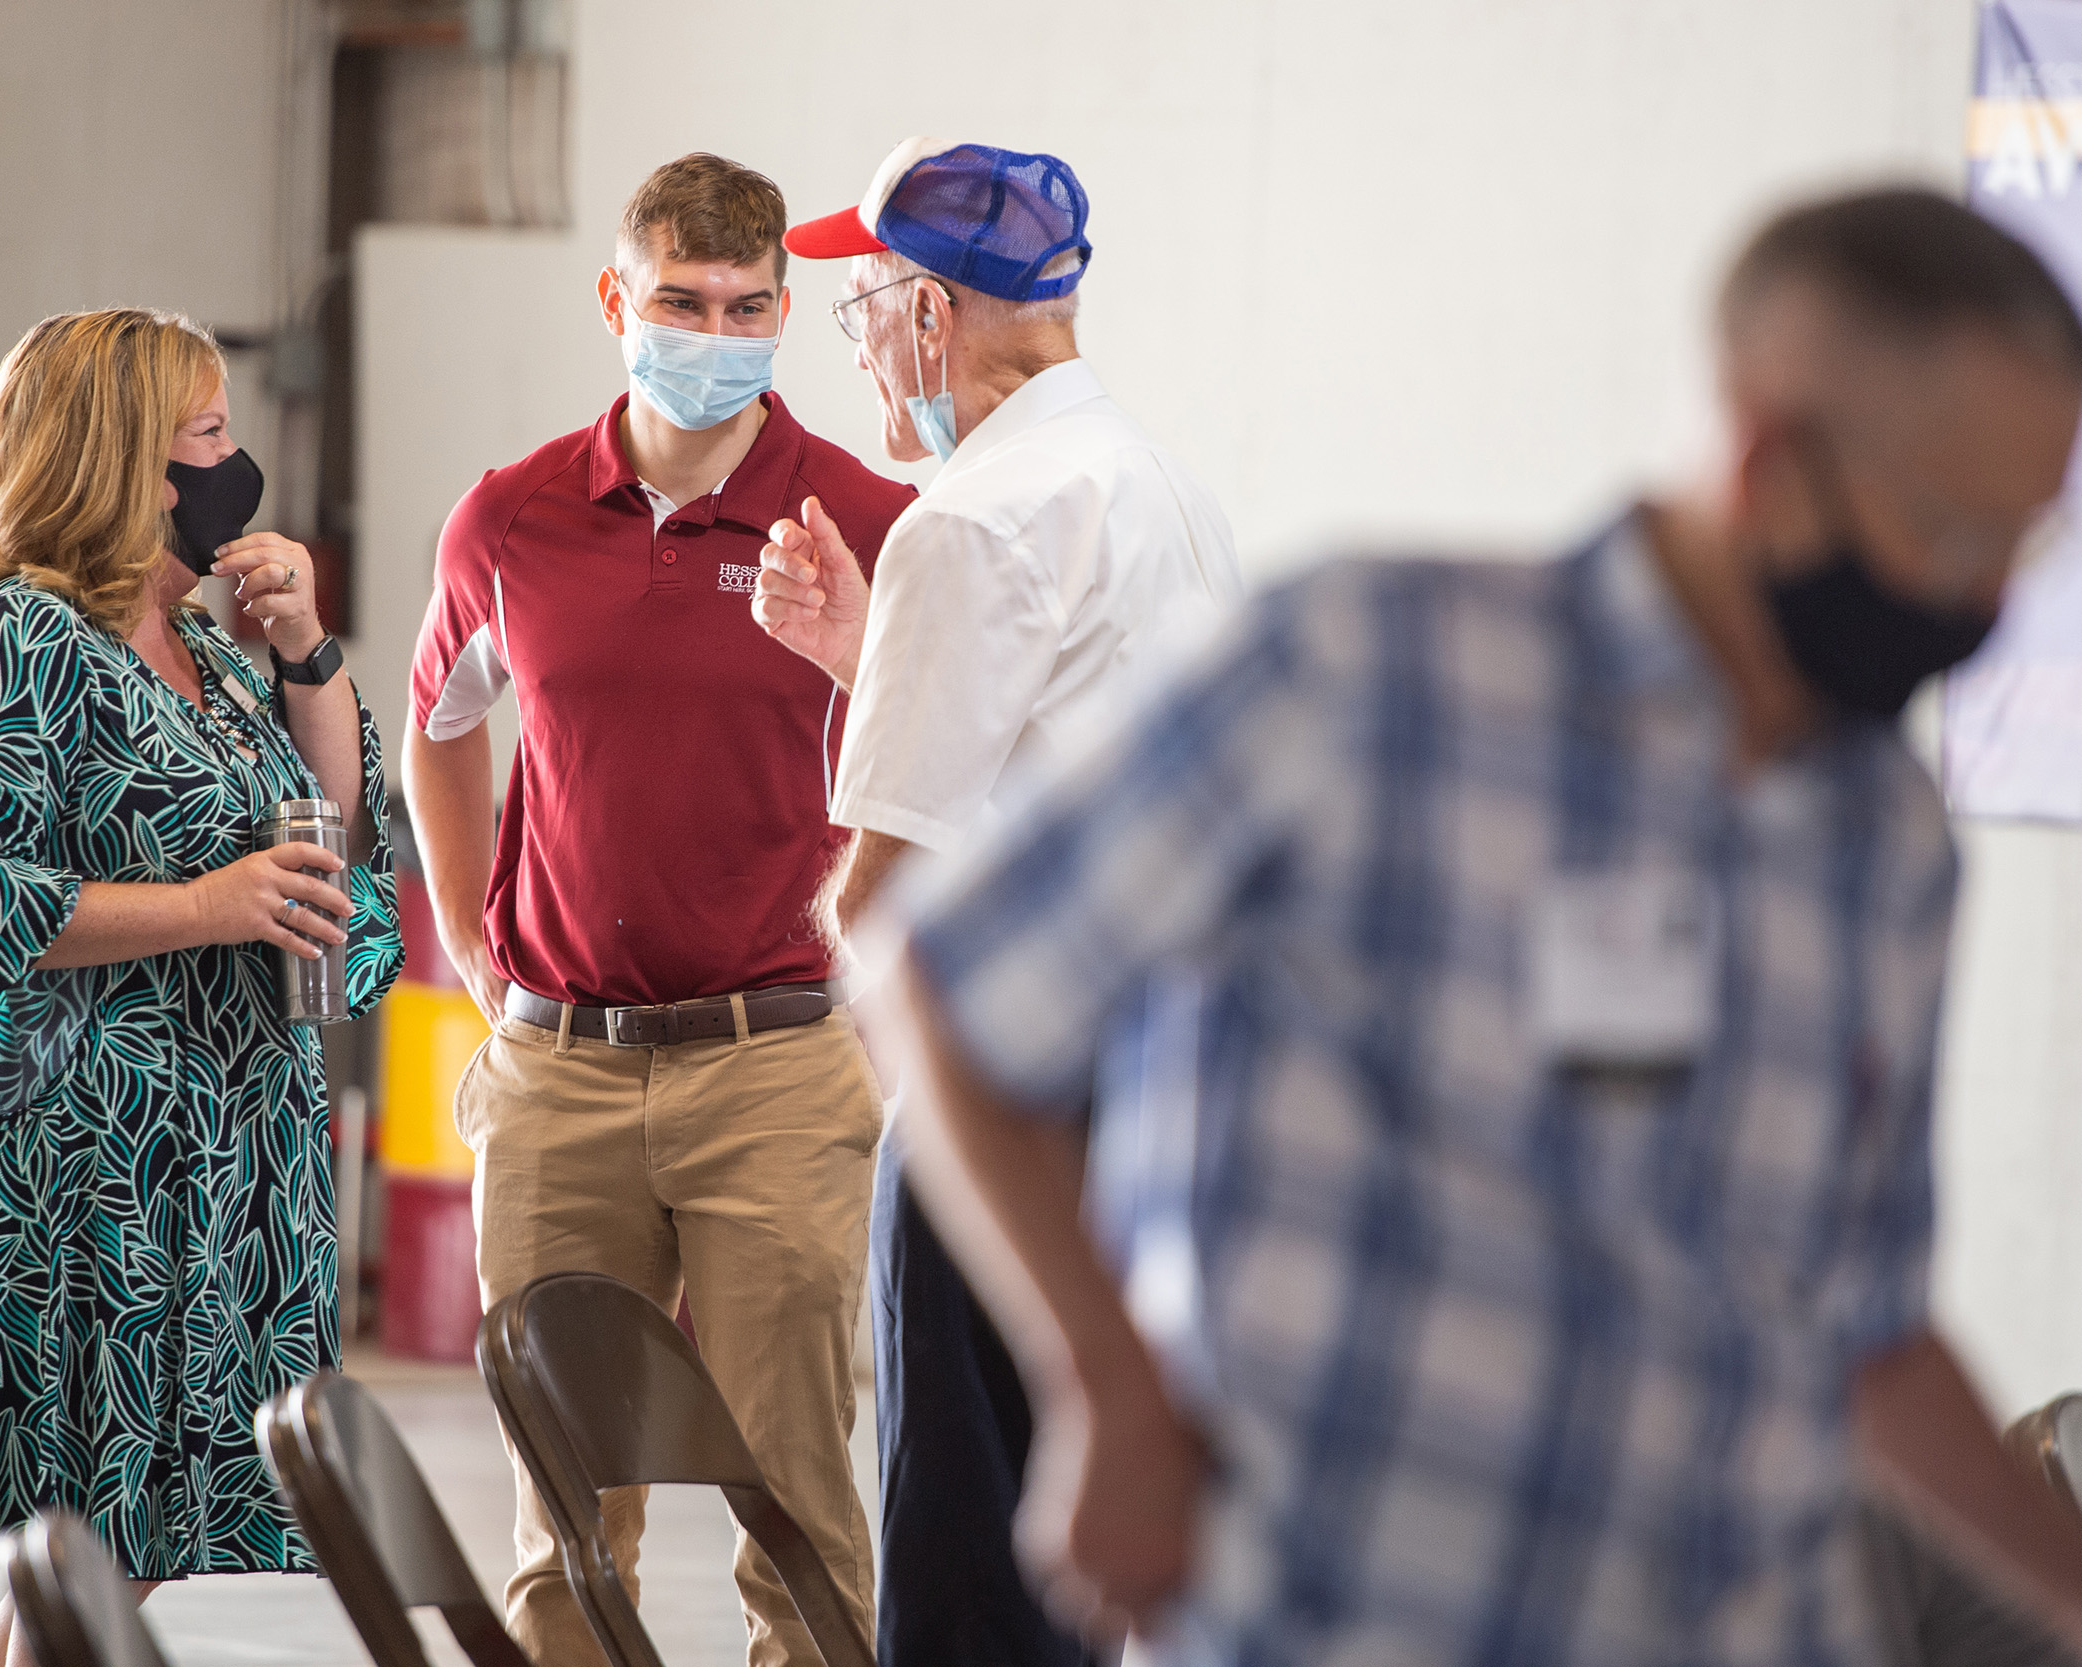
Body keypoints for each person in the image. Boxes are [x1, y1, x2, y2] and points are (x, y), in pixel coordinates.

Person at [882, 186, 2082, 1665]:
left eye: (2021, 547)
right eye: (1950, 535)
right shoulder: (1368, 669)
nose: (1983, 603)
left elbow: (1868, 1327)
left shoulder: (1887, 841)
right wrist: (1108, 1397)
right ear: (1772, 462)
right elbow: (946, 988)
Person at [403, 153, 914, 1667]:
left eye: (751, 306)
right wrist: (473, 947)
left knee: (802, 1508)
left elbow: (945, 759)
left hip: (778, 1062)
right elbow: (437, 725)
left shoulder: (863, 516)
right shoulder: (508, 523)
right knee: (562, 1520)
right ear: (618, 300)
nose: (717, 330)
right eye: (684, 300)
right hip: (558, 1064)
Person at [757, 138, 1240, 1667]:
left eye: (862, 309)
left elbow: (887, 911)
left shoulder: (967, 521)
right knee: (1092, 1574)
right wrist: (872, 668)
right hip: (1155, 1104)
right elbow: (1065, 772)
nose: (862, 347)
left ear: (930, 319)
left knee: (970, 1581)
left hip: (1006, 1117)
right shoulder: (1158, 488)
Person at [0, 308, 402, 1667]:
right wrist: (205, 905)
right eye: (211, 433)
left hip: (216, 1162)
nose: (240, 462)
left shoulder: (214, 655)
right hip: (82, 1170)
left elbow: (331, 822)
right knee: (89, 1545)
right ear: (123, 461)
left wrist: (305, 655)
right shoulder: (18, 647)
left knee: (122, 1548)